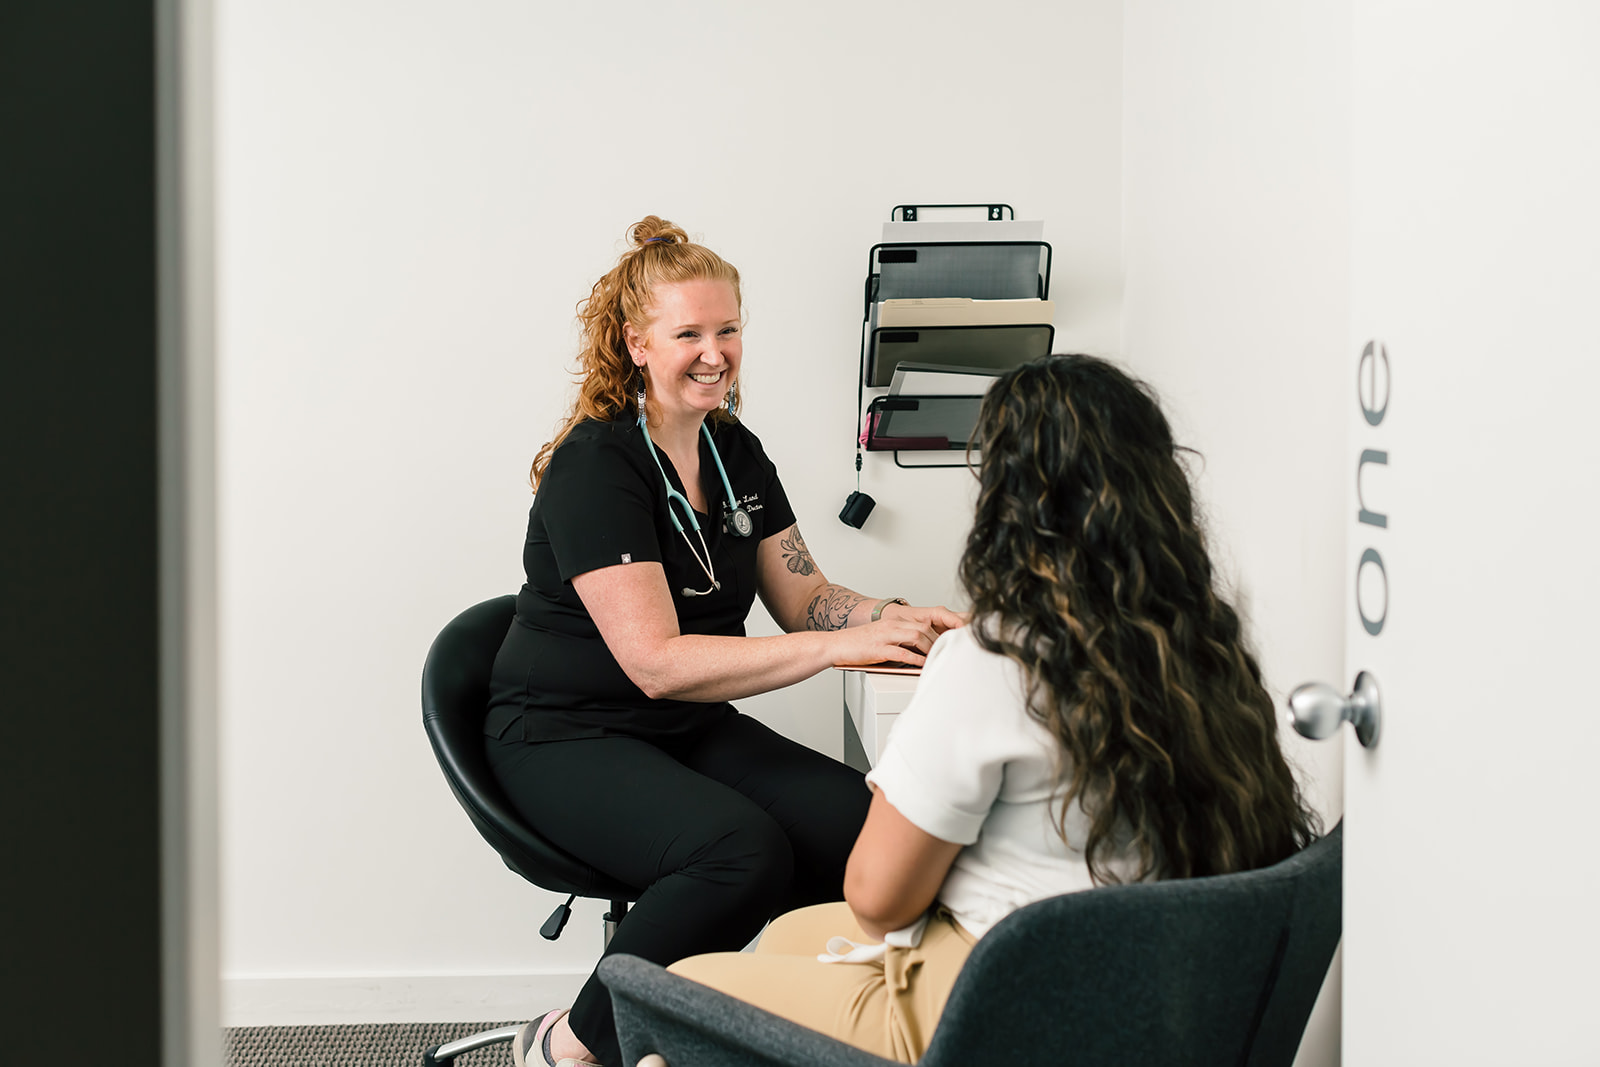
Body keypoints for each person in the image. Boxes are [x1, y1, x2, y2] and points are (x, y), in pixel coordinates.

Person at [669, 353, 1320, 1062]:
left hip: (1007, 1009)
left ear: (1011, 502)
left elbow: (878, 898)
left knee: (677, 990)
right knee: (794, 933)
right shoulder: (1204, 641)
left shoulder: (995, 660)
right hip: (1161, 997)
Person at [484, 216, 963, 1067]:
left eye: (729, 328)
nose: (716, 352)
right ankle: (570, 1044)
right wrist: (834, 651)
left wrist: (901, 617)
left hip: (685, 728)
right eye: (689, 333)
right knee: (740, 852)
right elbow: (657, 664)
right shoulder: (598, 464)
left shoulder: (734, 449)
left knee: (868, 828)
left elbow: (807, 597)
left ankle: (763, 1023)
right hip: (566, 732)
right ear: (636, 343)